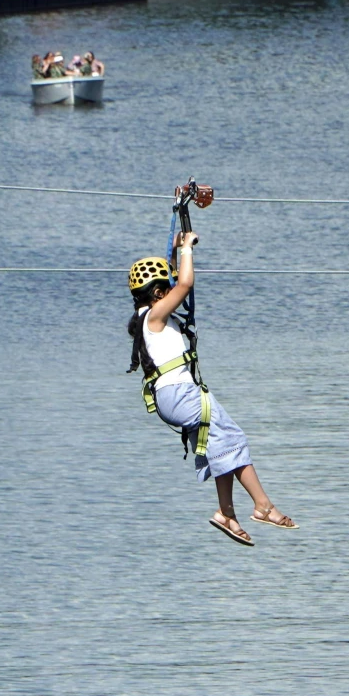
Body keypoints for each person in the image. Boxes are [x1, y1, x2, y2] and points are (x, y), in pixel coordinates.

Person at [128, 231, 293, 544]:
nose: (173, 291)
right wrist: (188, 249)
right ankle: (263, 506)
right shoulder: (156, 315)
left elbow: (176, 279)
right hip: (179, 393)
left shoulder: (145, 315)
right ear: (158, 293)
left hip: (171, 396)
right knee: (233, 436)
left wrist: (177, 249)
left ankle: (226, 514)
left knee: (219, 445)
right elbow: (185, 284)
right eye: (167, 289)